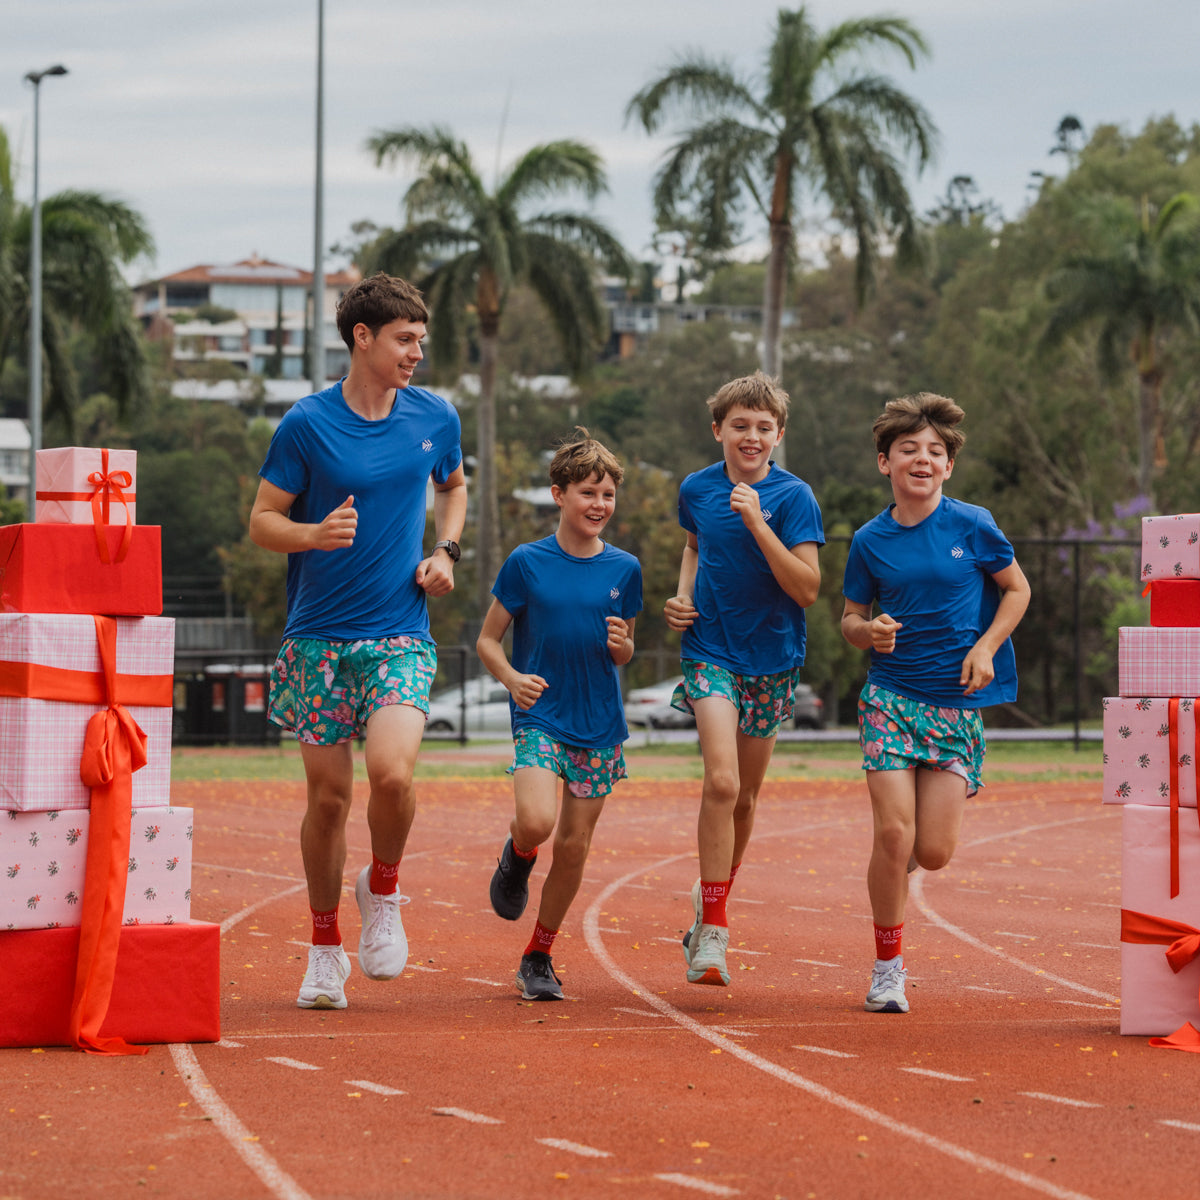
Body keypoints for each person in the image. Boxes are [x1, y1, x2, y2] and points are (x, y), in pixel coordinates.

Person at [249, 272, 467, 1011]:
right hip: (317, 638)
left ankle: (384, 888)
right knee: (329, 799)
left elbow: (453, 485)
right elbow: (262, 521)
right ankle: (323, 948)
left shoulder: (434, 416)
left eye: (421, 341)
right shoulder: (306, 424)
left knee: (393, 775)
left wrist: (446, 552)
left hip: (399, 632)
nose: (416, 353)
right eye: (405, 340)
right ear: (362, 338)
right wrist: (311, 534)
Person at [840, 392, 1030, 1014]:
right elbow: (850, 618)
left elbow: (1017, 590)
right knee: (894, 833)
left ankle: (894, 867)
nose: (922, 459)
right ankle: (887, 969)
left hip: (954, 708)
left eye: (934, 451)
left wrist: (986, 647)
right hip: (890, 699)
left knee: (933, 853)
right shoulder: (869, 540)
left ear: (949, 465)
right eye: (908, 449)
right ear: (885, 462)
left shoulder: (973, 524)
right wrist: (869, 632)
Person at [663, 372, 824, 988]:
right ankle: (716, 930)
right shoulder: (696, 488)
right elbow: (694, 547)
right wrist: (683, 596)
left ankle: (710, 898)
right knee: (723, 782)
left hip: (773, 659)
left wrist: (759, 523)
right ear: (718, 430)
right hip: (710, 650)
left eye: (763, 427)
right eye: (739, 426)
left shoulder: (794, 497)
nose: (750, 436)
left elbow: (807, 589)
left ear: (778, 435)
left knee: (747, 797)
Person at [476, 429, 642, 1001]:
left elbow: (625, 650)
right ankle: (518, 854)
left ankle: (539, 954)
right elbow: (488, 641)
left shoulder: (625, 568)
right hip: (541, 714)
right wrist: (512, 679)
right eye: (588, 492)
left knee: (573, 847)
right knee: (537, 821)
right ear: (559, 494)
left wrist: (623, 645)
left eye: (608, 494)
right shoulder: (526, 562)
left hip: (599, 722)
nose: (599, 504)